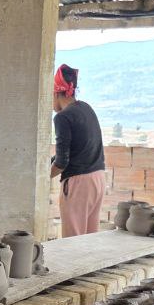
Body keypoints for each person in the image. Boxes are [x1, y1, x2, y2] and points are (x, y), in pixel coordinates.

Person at [49, 63, 106, 237]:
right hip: (98, 179)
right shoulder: (86, 108)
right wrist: (47, 162)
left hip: (78, 184)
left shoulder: (62, 117)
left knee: (72, 241)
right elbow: (74, 149)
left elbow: (62, 162)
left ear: (56, 93)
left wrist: (42, 177)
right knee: (89, 239)